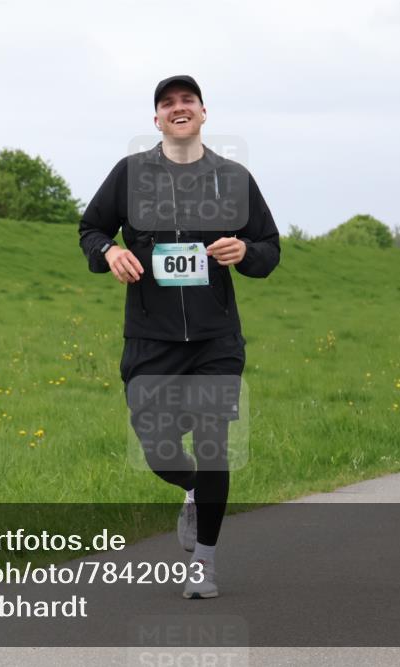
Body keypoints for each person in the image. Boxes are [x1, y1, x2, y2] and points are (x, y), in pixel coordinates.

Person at [78, 75, 280, 598]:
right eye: (167, 103)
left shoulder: (232, 178)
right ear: (157, 120)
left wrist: (246, 252)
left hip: (216, 340)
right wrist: (109, 251)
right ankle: (191, 488)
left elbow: (269, 248)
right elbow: (90, 229)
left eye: (187, 99)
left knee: (213, 446)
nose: (178, 107)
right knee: (159, 449)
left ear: (203, 112)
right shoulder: (130, 174)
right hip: (151, 338)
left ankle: (204, 565)